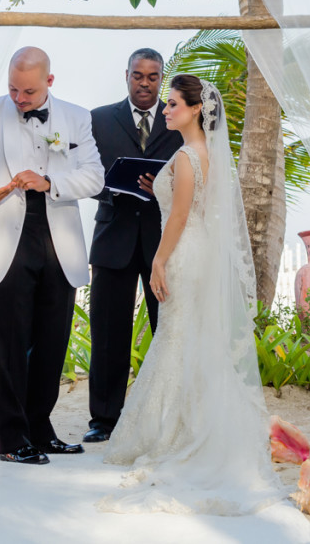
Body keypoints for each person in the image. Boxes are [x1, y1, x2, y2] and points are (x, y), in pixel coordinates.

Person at [100, 75, 287, 515]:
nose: (165, 111)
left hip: (183, 252)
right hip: (202, 253)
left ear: (196, 110)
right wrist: (157, 190)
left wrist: (160, 262)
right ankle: (196, 424)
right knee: (193, 340)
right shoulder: (207, 156)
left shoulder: (186, 156)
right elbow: (195, 207)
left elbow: (181, 215)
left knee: (176, 339)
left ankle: (171, 434)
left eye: (173, 105)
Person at [0, 47, 104, 465]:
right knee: (7, 345)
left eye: (29, 92)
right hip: (2, 236)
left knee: (51, 343)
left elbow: (94, 175)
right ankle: (13, 439)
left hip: (58, 238)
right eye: (13, 89)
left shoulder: (77, 117)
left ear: (50, 82)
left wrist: (50, 179)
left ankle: (40, 427)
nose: (19, 99)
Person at [85, 48, 183, 444]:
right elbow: (85, 176)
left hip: (164, 242)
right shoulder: (98, 119)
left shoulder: (176, 120)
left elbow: (191, 177)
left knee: (169, 329)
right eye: (138, 76)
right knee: (107, 333)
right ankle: (104, 420)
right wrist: (112, 188)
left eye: (153, 76)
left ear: (162, 78)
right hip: (113, 236)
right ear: (126, 75)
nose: (145, 83)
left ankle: (167, 418)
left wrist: (162, 189)